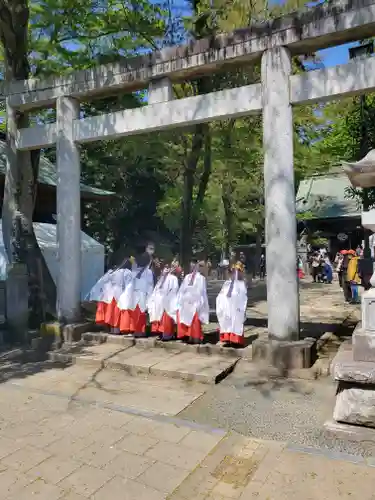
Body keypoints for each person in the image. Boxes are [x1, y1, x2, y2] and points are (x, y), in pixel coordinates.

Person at [118, 253, 154, 337]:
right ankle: (137, 331)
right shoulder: (139, 271)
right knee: (137, 313)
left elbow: (149, 285)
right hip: (137, 294)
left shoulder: (143, 271)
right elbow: (149, 285)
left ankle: (138, 331)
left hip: (138, 294)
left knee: (138, 313)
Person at [176, 261, 209, 344]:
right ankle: (190, 337)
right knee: (187, 319)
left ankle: (196, 338)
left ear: (197, 267)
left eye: (194, 266)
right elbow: (182, 289)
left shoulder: (201, 278)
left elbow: (202, 291)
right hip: (186, 302)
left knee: (195, 321)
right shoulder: (187, 277)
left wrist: (200, 301)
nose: (193, 268)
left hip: (195, 302)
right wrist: (180, 299)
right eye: (191, 266)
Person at [216, 262, 247, 346]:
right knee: (227, 322)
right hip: (227, 307)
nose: (232, 274)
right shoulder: (227, 283)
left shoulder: (241, 284)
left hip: (236, 307)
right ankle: (228, 338)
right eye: (231, 272)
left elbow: (243, 297)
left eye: (235, 272)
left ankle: (236, 340)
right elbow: (221, 295)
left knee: (236, 322)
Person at [148, 262, 180, 341]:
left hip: (166, 300)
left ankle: (166, 335)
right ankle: (163, 334)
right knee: (161, 316)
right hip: (162, 300)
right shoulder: (163, 278)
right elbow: (157, 289)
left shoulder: (171, 278)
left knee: (166, 317)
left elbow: (174, 289)